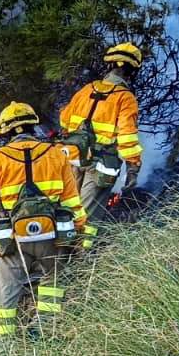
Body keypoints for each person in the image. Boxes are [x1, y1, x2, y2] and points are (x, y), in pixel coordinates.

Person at [0, 102, 87, 356]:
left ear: (6, 132)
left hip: (13, 242)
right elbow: (72, 200)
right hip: (52, 239)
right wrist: (80, 232)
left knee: (5, 302)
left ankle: (1, 355)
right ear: (33, 125)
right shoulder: (55, 155)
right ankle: (46, 337)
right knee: (51, 292)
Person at [58, 41, 145, 233]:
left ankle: (60, 255)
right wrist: (133, 169)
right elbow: (127, 139)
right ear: (132, 71)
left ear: (109, 66)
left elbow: (64, 120)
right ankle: (82, 258)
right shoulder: (125, 98)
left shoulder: (86, 90)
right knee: (87, 219)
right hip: (101, 167)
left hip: (73, 159)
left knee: (68, 212)